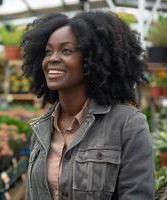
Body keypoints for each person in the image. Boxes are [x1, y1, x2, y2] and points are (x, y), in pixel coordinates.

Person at [21, 11, 155, 200]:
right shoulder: (41, 128)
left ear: (92, 59)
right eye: (48, 51)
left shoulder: (128, 125)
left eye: (66, 50)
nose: (52, 59)